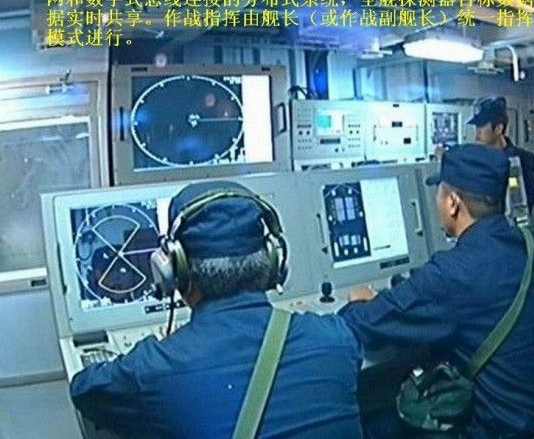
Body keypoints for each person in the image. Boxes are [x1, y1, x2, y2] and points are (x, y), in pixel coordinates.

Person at [70, 180, 363, 439]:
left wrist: (161, 349)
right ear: (274, 262)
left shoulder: (152, 368)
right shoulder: (336, 337)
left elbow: (84, 389)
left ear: (174, 272)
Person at [339, 144, 534, 439]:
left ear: (453, 203)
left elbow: (362, 324)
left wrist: (359, 301)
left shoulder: (453, 274)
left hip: (498, 430)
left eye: (439, 193)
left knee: (373, 423)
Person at [468, 96, 534, 209]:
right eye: (476, 127)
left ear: (498, 129)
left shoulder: (523, 159)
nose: (477, 134)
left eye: (481, 127)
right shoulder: (477, 162)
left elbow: (530, 200)